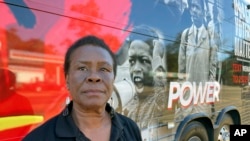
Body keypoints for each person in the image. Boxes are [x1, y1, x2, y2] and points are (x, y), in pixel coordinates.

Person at [22, 35, 142, 141]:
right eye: (82, 68)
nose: (94, 77)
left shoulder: (130, 128)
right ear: (67, 79)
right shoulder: (38, 138)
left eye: (104, 69)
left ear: (113, 79)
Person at [177, 0, 217, 119]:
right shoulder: (185, 34)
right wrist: (182, 91)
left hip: (203, 98)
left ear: (203, 11)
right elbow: (181, 67)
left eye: (197, 7)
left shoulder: (210, 37)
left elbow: (212, 66)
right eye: (192, 7)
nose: (193, 11)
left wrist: (208, 90)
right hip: (187, 98)